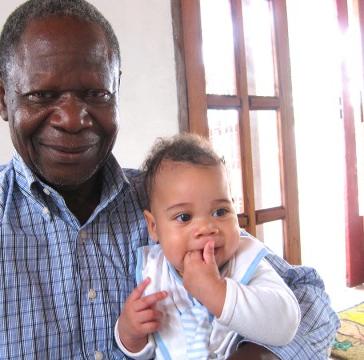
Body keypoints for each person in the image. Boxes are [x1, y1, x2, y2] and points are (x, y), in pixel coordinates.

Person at [0, 0, 339, 359]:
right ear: (4, 95)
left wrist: (263, 355)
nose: (72, 119)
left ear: (117, 88)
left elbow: (312, 302)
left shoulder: (173, 205)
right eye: (42, 94)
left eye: (95, 94)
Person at [115, 134, 301, 359]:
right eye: (184, 217)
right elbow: (148, 353)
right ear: (153, 227)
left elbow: (286, 323)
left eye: (220, 212)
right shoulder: (152, 272)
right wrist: (130, 335)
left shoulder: (244, 260)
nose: (206, 227)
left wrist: (215, 290)